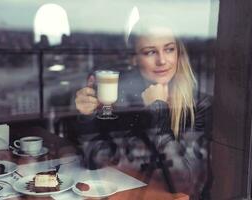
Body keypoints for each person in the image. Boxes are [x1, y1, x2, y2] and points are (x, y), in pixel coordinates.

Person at [74, 14, 212, 199]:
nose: (162, 60)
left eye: (169, 49)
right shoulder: (126, 100)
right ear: (134, 59)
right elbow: (96, 161)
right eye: (150, 52)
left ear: (178, 53)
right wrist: (87, 117)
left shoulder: (198, 104)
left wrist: (158, 111)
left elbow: (183, 183)